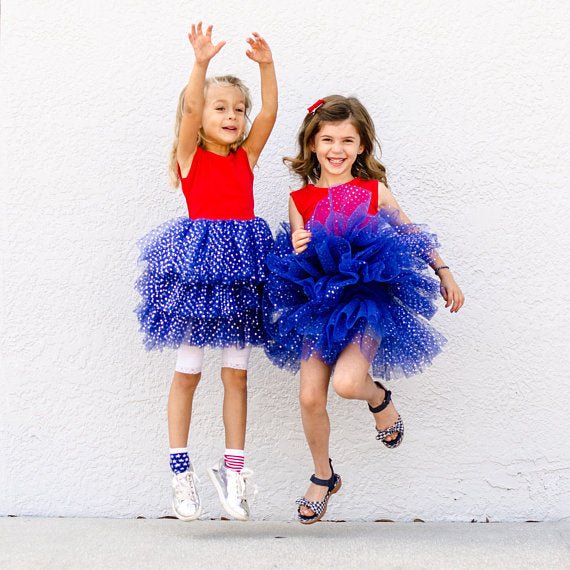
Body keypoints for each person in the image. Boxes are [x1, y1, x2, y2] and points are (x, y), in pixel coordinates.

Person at [263, 95, 464, 524]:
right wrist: (299, 244)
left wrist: (443, 271)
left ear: (361, 147)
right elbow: (299, 248)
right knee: (310, 395)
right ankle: (323, 475)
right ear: (313, 144)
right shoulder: (299, 200)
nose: (337, 149)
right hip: (316, 301)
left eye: (348, 140)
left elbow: (410, 232)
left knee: (349, 383)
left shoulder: (374, 191)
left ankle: (379, 398)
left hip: (366, 299)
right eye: (328, 139)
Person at [135, 22, 277, 522]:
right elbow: (192, 107)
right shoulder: (189, 155)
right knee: (189, 372)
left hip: (239, 273)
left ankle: (233, 472)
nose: (233, 116)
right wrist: (200, 64)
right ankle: (181, 474)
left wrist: (266, 67)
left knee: (236, 374)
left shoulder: (248, 158)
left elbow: (271, 113)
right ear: (197, 121)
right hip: (198, 273)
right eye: (222, 108)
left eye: (238, 110)